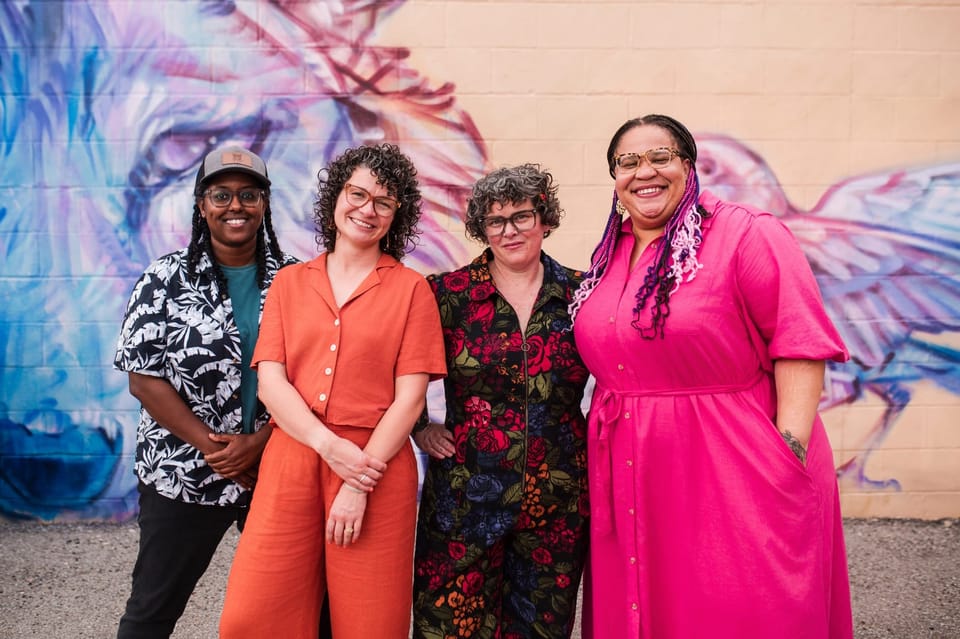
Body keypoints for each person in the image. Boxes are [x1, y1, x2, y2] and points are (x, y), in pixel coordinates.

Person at [569, 114, 854, 638]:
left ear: (689, 166)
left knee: (740, 607)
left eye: (661, 156)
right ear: (614, 179)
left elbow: (800, 343)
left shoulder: (747, 234)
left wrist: (785, 453)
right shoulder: (611, 252)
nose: (644, 171)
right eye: (628, 162)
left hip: (733, 462)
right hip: (635, 466)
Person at [218, 144, 446, 639]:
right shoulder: (289, 282)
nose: (367, 209)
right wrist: (329, 447)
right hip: (292, 456)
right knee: (254, 616)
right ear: (336, 197)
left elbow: (409, 401)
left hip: (377, 465)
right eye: (357, 194)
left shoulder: (411, 290)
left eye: (383, 202)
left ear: (396, 214)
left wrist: (357, 480)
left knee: (370, 622)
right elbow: (271, 382)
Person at [114, 146, 297, 638]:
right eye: (221, 194)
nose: (235, 206)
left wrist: (257, 444)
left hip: (274, 466)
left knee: (302, 606)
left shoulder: (297, 280)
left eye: (248, 195)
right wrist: (215, 448)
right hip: (183, 470)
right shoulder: (164, 278)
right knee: (153, 609)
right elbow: (142, 375)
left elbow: (320, 376)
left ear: (264, 204)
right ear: (201, 204)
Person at [412, 164, 590, 639]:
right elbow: (395, 366)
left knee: (540, 629)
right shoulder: (446, 295)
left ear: (544, 219)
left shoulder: (582, 294)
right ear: (481, 229)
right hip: (464, 499)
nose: (509, 230)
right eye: (495, 221)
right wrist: (418, 425)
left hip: (556, 500)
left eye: (522, 216)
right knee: (449, 626)